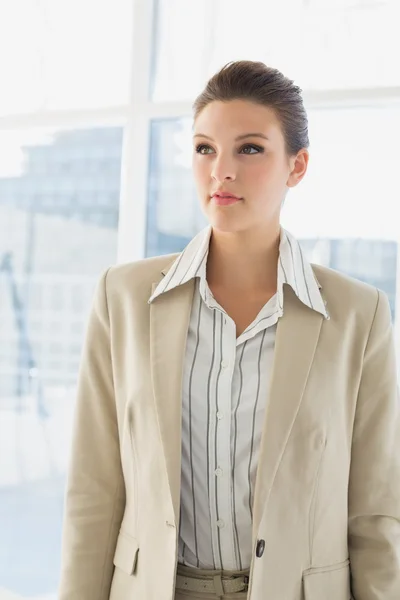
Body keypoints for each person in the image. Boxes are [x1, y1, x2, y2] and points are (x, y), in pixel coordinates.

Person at [58, 60, 400, 600]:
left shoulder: (361, 316)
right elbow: (93, 496)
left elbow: (377, 516)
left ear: (298, 165)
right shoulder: (122, 299)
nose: (221, 170)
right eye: (204, 149)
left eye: (250, 148)